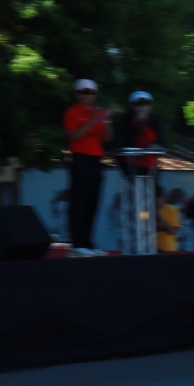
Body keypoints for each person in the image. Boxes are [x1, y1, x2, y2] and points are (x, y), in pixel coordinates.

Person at [64, 78, 115, 256]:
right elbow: (75, 136)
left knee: (93, 201)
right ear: (77, 94)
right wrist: (93, 120)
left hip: (96, 160)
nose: (87, 96)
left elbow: (107, 138)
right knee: (79, 201)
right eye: (84, 92)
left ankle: (87, 242)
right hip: (80, 159)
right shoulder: (72, 112)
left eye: (91, 92)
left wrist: (107, 120)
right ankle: (77, 242)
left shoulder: (98, 113)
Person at [119, 90, 164, 176]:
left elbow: (160, 142)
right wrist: (139, 122)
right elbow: (128, 141)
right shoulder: (126, 121)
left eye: (146, 104)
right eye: (138, 104)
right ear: (132, 106)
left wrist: (155, 146)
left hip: (150, 165)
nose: (142, 107)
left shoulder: (155, 122)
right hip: (131, 165)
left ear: (150, 106)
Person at [156, 187, 181, 252]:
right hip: (151, 248)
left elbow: (173, 231)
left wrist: (159, 217)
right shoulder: (148, 210)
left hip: (167, 248)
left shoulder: (172, 210)